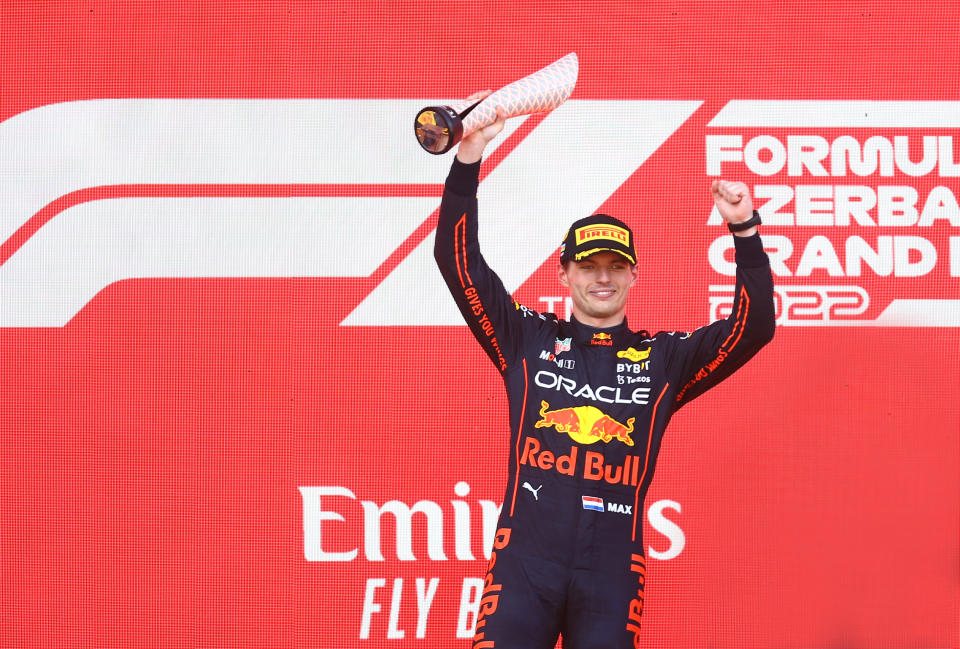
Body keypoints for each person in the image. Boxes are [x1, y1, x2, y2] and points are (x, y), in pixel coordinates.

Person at [433, 96, 775, 649]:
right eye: (588, 266)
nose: (602, 278)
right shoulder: (526, 337)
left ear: (634, 277)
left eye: (616, 267)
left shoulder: (665, 358)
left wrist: (745, 231)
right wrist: (468, 158)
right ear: (564, 272)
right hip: (524, 566)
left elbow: (752, 326)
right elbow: (458, 262)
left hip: (612, 573)